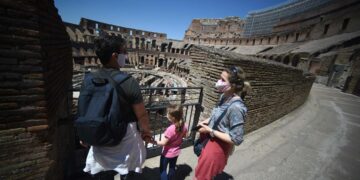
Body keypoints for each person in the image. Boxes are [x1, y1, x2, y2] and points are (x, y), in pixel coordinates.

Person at [80, 34, 154, 180]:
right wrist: (146, 132)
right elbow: (142, 115)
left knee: (102, 173)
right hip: (125, 140)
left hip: (100, 136)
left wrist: (84, 133)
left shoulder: (88, 79)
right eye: (124, 52)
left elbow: (83, 110)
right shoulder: (129, 82)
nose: (126, 55)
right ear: (115, 55)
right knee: (127, 171)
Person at [194, 66, 251, 180]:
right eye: (219, 78)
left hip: (217, 147)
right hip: (210, 141)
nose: (218, 82)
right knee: (201, 172)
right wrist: (205, 122)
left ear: (233, 85)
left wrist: (210, 130)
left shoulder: (236, 108)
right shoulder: (224, 96)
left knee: (202, 177)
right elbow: (218, 116)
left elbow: (236, 139)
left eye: (223, 80)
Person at [156, 104, 188, 180]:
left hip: (167, 154)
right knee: (172, 168)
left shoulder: (170, 129)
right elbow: (185, 136)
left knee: (163, 170)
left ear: (172, 118)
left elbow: (163, 143)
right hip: (176, 152)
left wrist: (154, 141)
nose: (166, 114)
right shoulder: (185, 125)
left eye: (167, 113)